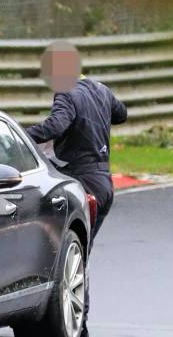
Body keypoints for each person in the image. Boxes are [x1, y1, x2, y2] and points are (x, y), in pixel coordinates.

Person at [22, 40, 128, 242]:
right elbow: (121, 114)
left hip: (82, 182)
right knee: (78, 251)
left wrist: (21, 136)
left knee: (63, 248)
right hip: (104, 183)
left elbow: (56, 125)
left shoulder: (67, 92)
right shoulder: (101, 90)